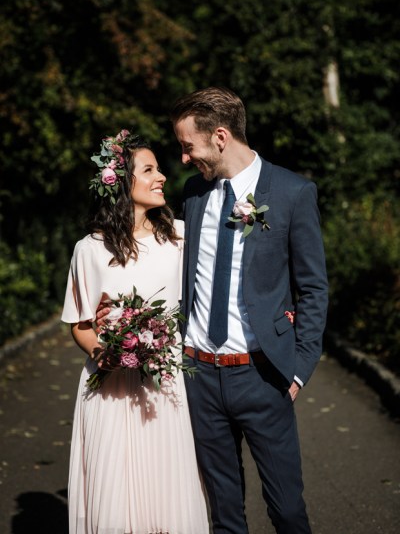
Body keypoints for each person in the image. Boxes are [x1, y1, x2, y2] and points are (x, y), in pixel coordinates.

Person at [169, 87, 329, 534]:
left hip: (263, 376)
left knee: (287, 510)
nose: (183, 158)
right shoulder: (194, 193)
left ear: (220, 137)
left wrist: (298, 369)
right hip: (199, 375)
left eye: (188, 146)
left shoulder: (293, 192)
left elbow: (313, 288)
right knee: (224, 514)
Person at [61, 130, 208, 534]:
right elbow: (80, 322)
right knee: (116, 494)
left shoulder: (178, 237)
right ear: (123, 184)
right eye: (149, 170)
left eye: (159, 168)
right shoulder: (89, 249)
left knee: (167, 490)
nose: (162, 176)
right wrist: (104, 353)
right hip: (109, 388)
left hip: (165, 384)